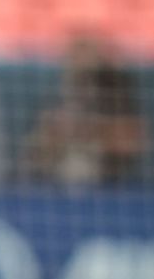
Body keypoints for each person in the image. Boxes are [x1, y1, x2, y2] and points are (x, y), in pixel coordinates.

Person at [20, 33, 147, 186]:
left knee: (78, 166)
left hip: (105, 171)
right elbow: (40, 141)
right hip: (60, 166)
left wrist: (89, 129)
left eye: (86, 68)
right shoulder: (59, 95)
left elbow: (134, 140)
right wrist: (56, 131)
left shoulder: (115, 92)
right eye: (73, 61)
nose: (78, 67)